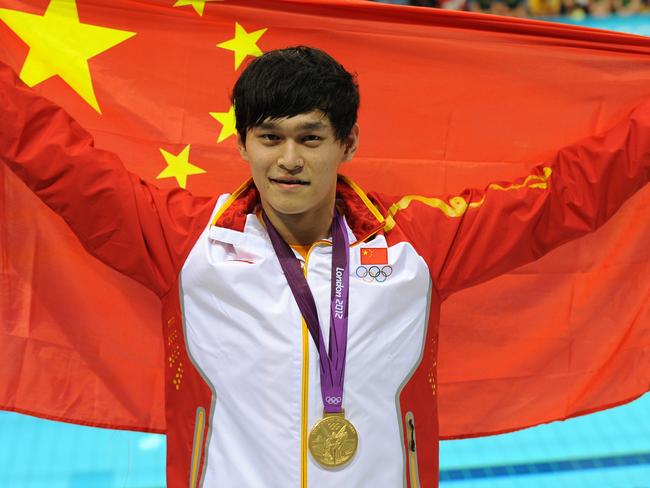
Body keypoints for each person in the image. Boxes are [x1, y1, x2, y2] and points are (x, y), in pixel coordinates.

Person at [1, 45, 649, 487]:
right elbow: (58, 159)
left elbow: (564, 197)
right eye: (270, 137)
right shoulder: (182, 243)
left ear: (348, 142)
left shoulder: (415, 246)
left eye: (310, 138)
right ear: (242, 141)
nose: (289, 160)